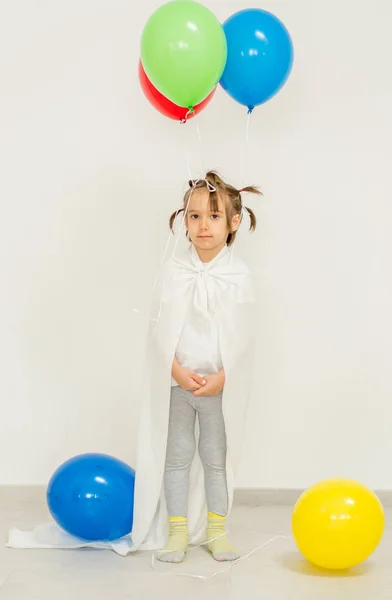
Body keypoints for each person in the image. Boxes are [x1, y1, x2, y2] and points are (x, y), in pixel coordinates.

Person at [131, 171, 261, 564]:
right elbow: (158, 327)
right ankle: (176, 532)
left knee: (214, 457)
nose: (203, 225)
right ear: (183, 220)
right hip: (179, 382)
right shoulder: (173, 271)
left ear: (234, 222)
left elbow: (244, 336)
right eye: (194, 216)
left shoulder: (238, 276)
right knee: (177, 456)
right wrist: (174, 370)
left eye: (214, 216)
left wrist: (225, 376)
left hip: (217, 385)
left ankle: (218, 531)